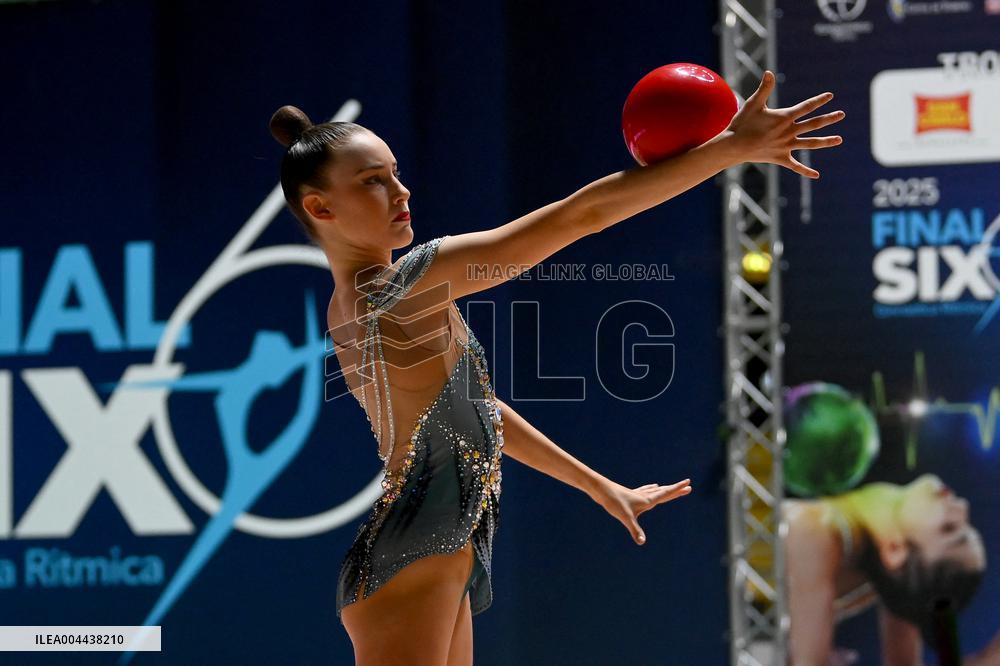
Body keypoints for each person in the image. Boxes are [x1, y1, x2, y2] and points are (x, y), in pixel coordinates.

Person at [269, 70, 843, 665]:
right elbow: (580, 216)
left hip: (431, 550)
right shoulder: (401, 289)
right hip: (414, 554)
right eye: (372, 182)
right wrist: (731, 148)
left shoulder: (358, 304)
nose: (400, 192)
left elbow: (473, 410)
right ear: (319, 207)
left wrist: (597, 486)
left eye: (395, 173)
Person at [785, 473, 1000, 665]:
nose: (962, 506)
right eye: (967, 524)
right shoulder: (883, 570)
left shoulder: (814, 532)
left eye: (949, 529)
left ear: (895, 550)